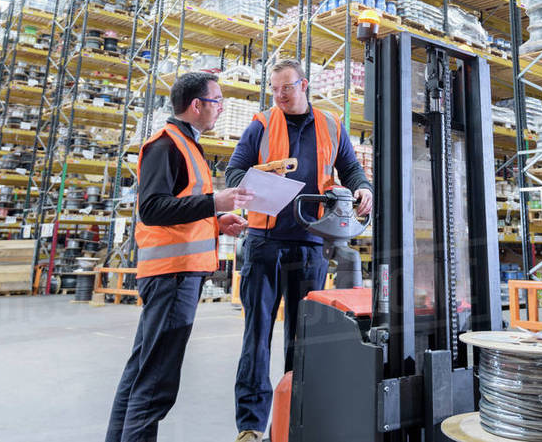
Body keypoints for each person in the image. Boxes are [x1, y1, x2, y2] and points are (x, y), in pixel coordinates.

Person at [227, 60, 374, 442]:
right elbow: (234, 172)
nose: (279, 95)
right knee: (256, 333)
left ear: (303, 85)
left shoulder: (331, 125)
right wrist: (258, 181)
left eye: (286, 88)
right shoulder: (261, 123)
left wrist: (363, 188)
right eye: (274, 89)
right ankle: (250, 424)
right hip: (264, 241)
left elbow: (351, 168)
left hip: (311, 242)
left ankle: (295, 417)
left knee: (302, 336)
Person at [105, 72, 254, 442]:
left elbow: (181, 210)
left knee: (143, 369)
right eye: (217, 101)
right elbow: (153, 209)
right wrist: (213, 202)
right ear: (197, 105)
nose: (221, 108)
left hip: (176, 275)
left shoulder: (188, 144)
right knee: (156, 381)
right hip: (172, 277)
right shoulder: (166, 144)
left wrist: (218, 222)